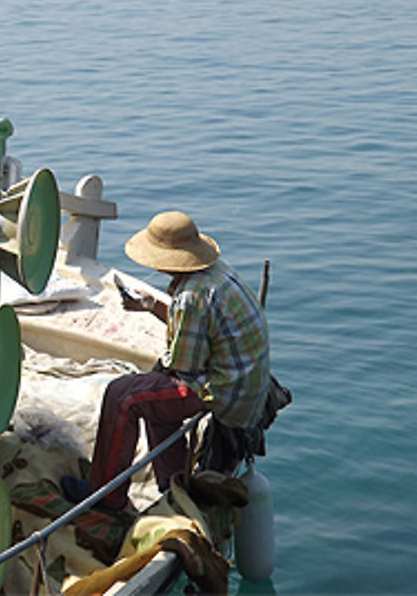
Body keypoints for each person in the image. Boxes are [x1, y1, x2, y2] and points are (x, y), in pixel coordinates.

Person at [60, 210, 271, 511]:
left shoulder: (191, 296)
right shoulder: (218, 273)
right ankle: (171, 484)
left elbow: (184, 366)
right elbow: (198, 329)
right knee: (150, 392)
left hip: (225, 393)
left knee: (123, 396)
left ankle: (107, 496)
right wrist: (150, 306)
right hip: (242, 385)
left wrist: (155, 371)